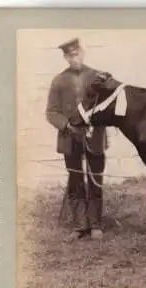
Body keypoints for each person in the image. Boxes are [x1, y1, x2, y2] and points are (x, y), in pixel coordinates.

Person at [45, 37, 108, 241]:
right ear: (65, 57)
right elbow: (51, 112)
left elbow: (107, 105)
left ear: (82, 52)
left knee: (95, 180)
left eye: (77, 53)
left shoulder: (97, 77)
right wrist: (68, 126)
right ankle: (80, 225)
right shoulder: (59, 81)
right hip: (70, 139)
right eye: (70, 55)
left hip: (94, 136)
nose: (75, 57)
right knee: (76, 181)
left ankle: (96, 224)